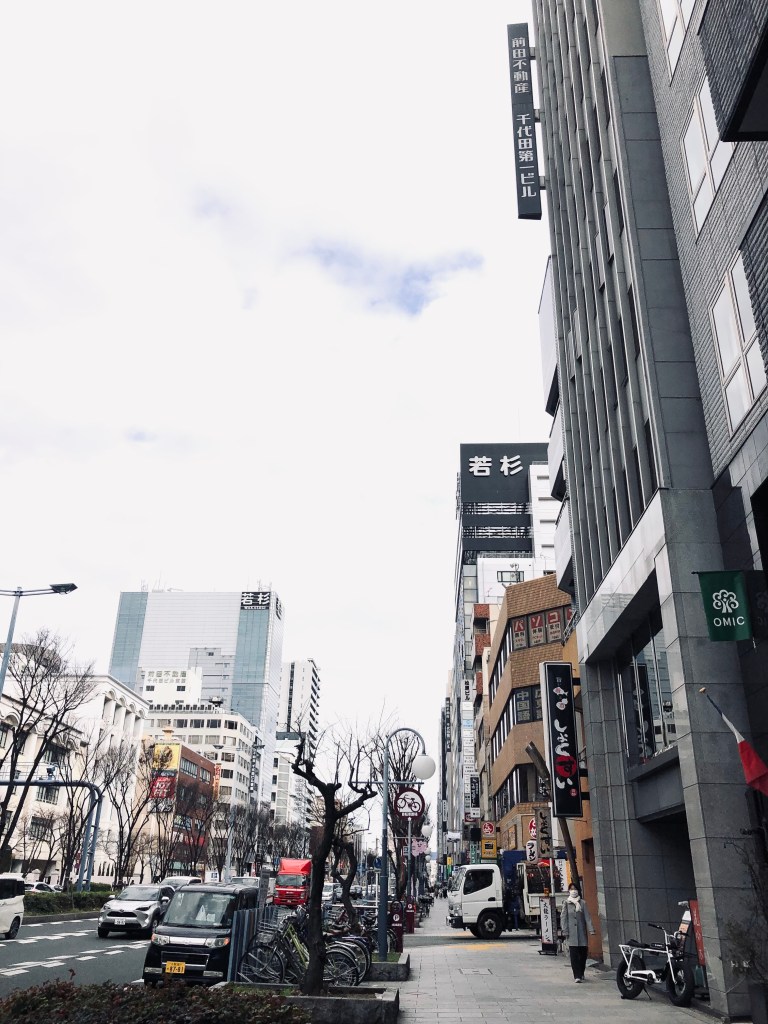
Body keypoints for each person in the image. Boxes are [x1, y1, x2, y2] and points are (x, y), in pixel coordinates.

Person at [559, 885, 596, 983]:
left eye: (575, 889)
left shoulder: (583, 903)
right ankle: (577, 975)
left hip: (581, 933)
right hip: (571, 934)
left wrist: (591, 930)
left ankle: (581, 972)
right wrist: (565, 930)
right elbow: (564, 918)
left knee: (583, 954)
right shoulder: (566, 903)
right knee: (574, 955)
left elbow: (587, 917)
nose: (573, 891)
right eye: (571, 889)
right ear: (569, 891)